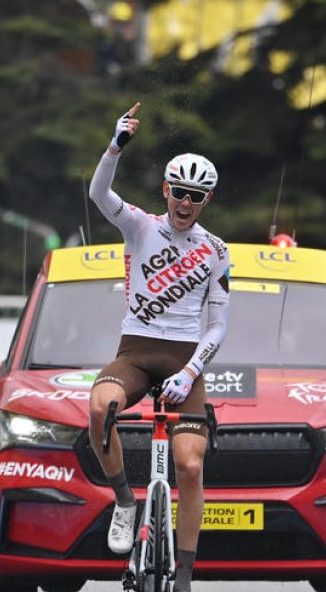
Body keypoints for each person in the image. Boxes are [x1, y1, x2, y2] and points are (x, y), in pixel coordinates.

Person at [86, 103, 231, 592]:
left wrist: (191, 373)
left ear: (206, 199)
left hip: (185, 360)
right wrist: (115, 146)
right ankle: (126, 502)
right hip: (135, 352)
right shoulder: (140, 227)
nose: (185, 203)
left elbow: (218, 326)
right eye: (179, 193)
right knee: (99, 407)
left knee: (190, 466)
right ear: (166, 190)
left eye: (197, 196)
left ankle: (185, 573)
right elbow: (98, 193)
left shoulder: (216, 250)